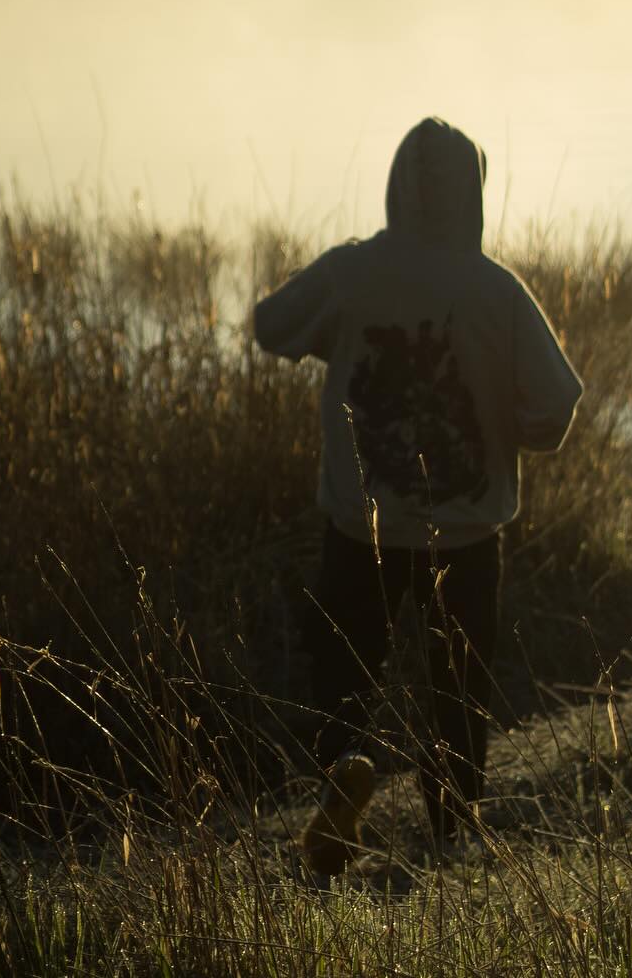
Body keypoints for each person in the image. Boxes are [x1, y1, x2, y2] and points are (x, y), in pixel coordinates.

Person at [253, 117, 583, 874]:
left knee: (343, 674)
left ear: (397, 188)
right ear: (474, 194)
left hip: (359, 531)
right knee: (459, 693)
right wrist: (507, 428)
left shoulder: (352, 273)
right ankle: (452, 830)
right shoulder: (498, 291)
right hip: (466, 539)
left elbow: (271, 327)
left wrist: (328, 331)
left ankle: (342, 782)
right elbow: (556, 407)